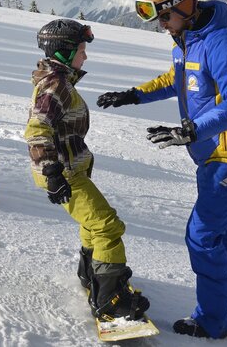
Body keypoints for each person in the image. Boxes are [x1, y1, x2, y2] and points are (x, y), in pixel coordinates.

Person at [97, 0, 227, 339]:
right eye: (159, 19)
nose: (162, 25)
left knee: (202, 235)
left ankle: (212, 322)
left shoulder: (222, 42)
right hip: (211, 151)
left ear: (185, 4)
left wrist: (191, 130)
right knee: (223, 231)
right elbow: (177, 79)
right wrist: (134, 94)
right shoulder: (186, 39)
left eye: (165, 16)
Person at [26, 19, 150, 322]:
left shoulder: (59, 80)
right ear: (65, 52)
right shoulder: (55, 85)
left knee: (93, 223)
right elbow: (37, 128)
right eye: (81, 50)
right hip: (64, 173)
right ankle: (109, 300)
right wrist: (52, 172)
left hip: (69, 169)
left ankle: (92, 274)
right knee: (107, 226)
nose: (85, 56)